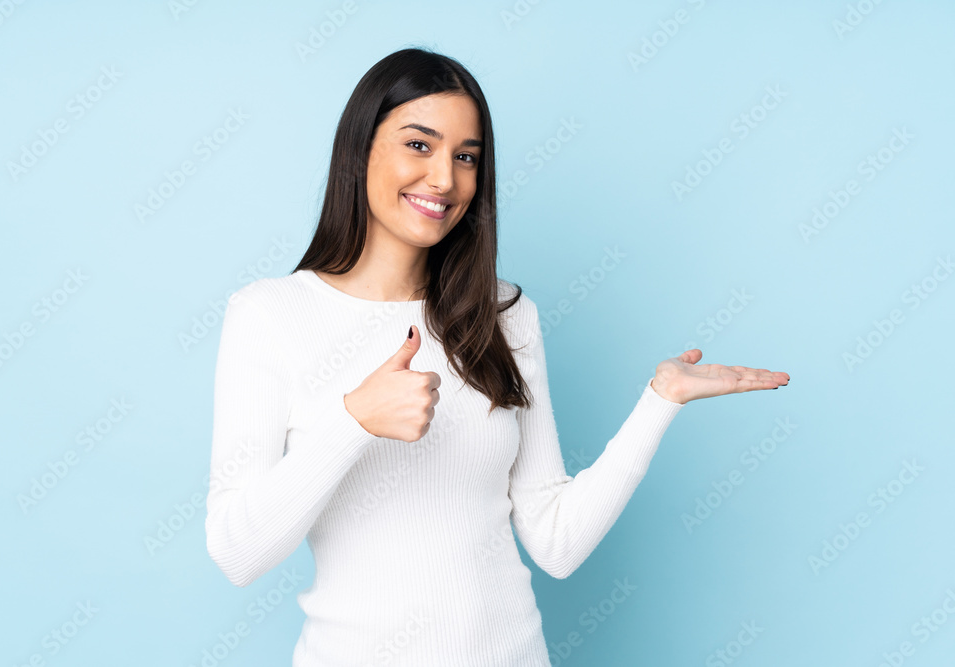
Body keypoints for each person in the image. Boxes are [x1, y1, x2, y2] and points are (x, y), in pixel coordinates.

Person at [204, 47, 789, 666]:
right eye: (419, 145)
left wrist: (659, 402)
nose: (444, 179)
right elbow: (239, 553)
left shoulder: (504, 314)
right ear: (359, 149)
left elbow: (557, 541)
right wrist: (353, 421)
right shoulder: (270, 315)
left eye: (466, 157)